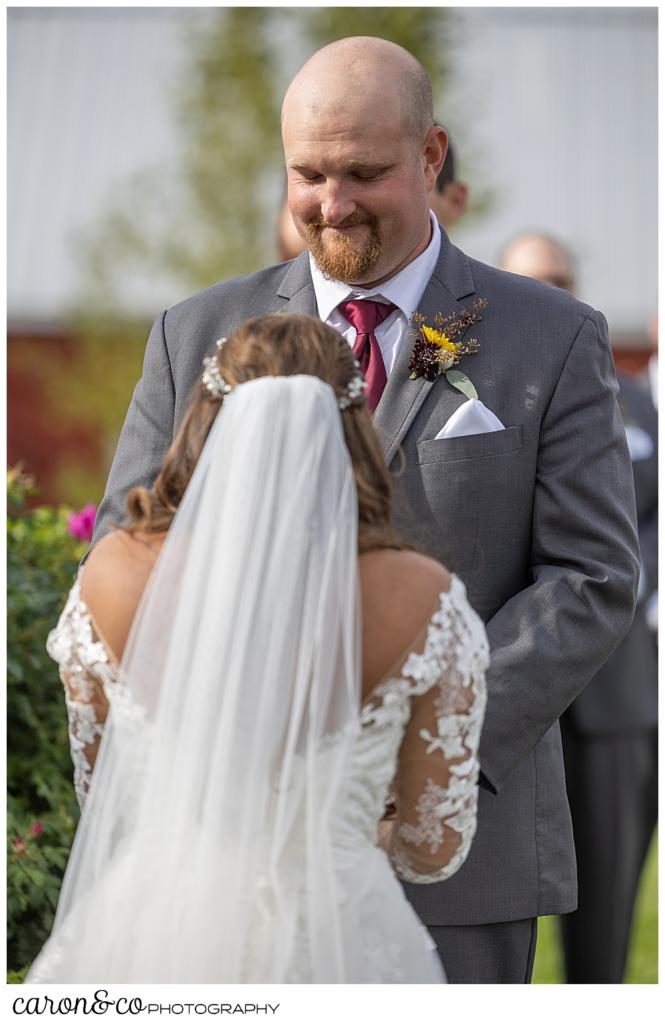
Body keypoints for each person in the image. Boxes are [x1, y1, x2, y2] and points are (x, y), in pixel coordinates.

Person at [90, 37, 639, 983]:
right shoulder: (194, 335)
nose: (330, 204)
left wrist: (426, 744)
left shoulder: (547, 337)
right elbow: (131, 551)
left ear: (430, 157)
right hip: (233, 862)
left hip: (458, 852)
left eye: (362, 172)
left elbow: (590, 578)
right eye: (307, 173)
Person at [27, 314, 488, 983]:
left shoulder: (113, 574)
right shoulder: (420, 596)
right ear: (354, 426)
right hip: (341, 935)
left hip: (153, 933)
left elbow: (106, 797)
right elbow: (432, 847)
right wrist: (340, 828)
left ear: (207, 416)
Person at [500, 231, 658, 983]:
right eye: (531, 280)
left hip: (613, 695)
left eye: (561, 278)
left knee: (604, 934)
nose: (551, 293)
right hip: (500, 690)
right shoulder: (464, 385)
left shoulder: (639, 409)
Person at [277, 134, 468, 261]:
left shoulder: (493, 307)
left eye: (366, 174)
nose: (333, 211)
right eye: (312, 177)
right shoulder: (252, 312)